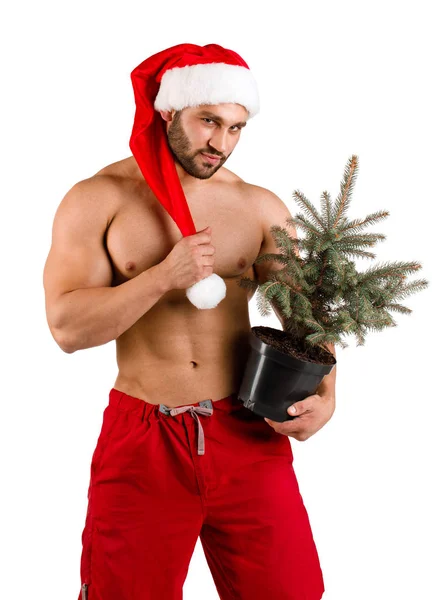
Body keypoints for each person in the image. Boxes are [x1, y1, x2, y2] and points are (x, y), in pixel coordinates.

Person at [43, 43, 335, 600]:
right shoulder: (99, 199)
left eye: (235, 128)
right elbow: (65, 328)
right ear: (170, 111)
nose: (220, 144)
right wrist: (160, 277)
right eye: (208, 122)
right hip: (145, 441)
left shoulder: (257, 207)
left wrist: (328, 394)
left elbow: (311, 321)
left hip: (247, 433)